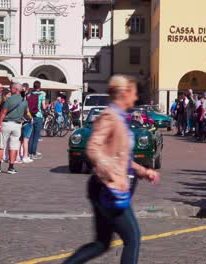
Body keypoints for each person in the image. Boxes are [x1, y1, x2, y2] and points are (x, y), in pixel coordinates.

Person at [64, 75, 160, 264]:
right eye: (133, 94)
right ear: (124, 93)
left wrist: (143, 171)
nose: (135, 98)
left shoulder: (120, 118)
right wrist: (111, 175)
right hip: (108, 189)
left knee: (102, 243)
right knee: (132, 239)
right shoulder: (110, 116)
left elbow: (120, 157)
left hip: (108, 189)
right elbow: (93, 148)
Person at [0, 83, 28, 174]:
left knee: (1, 144)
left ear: (15, 90)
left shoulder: (9, 100)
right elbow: (25, 112)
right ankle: (11, 167)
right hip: (17, 125)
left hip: (6, 123)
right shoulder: (24, 101)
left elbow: (3, 112)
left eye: (12, 88)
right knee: (14, 146)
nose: (10, 89)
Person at [28, 81, 46, 160]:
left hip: (30, 116)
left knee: (31, 135)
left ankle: (29, 153)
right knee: (36, 136)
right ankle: (33, 153)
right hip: (38, 116)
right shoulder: (41, 95)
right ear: (39, 87)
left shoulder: (29, 95)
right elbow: (44, 106)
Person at [20, 84, 33, 163]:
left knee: (19, 140)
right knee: (25, 140)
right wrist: (31, 119)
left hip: (20, 121)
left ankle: (18, 155)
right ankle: (25, 156)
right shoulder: (25, 103)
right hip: (27, 121)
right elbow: (28, 112)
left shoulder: (18, 101)